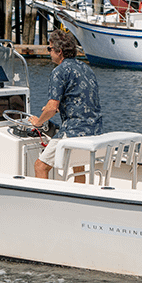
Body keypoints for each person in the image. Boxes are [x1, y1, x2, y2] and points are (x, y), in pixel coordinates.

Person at [30, 29, 102, 180]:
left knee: (40, 166)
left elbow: (51, 108)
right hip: (94, 130)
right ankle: (79, 199)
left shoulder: (59, 71)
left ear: (59, 51)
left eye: (50, 49)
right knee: (78, 167)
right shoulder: (86, 68)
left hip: (74, 131)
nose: (49, 52)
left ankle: (44, 202)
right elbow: (80, 98)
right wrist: (57, 107)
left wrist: (38, 122)